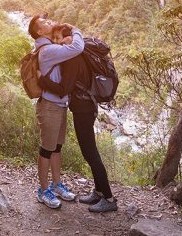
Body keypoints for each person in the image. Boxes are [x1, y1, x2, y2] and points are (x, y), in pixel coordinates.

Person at [39, 39, 118, 213]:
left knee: (90, 152)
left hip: (83, 109)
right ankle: (98, 192)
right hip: (86, 106)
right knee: (89, 151)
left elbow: (64, 88)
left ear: (69, 39)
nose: (58, 41)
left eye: (61, 37)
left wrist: (42, 80)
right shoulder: (79, 55)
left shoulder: (73, 58)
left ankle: (109, 198)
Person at [27, 14, 81, 209]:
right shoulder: (47, 50)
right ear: (39, 32)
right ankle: (43, 190)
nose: (50, 23)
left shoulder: (50, 46)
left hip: (58, 104)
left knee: (56, 147)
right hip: (49, 106)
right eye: (45, 23)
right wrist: (74, 30)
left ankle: (56, 184)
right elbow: (77, 48)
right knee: (46, 149)